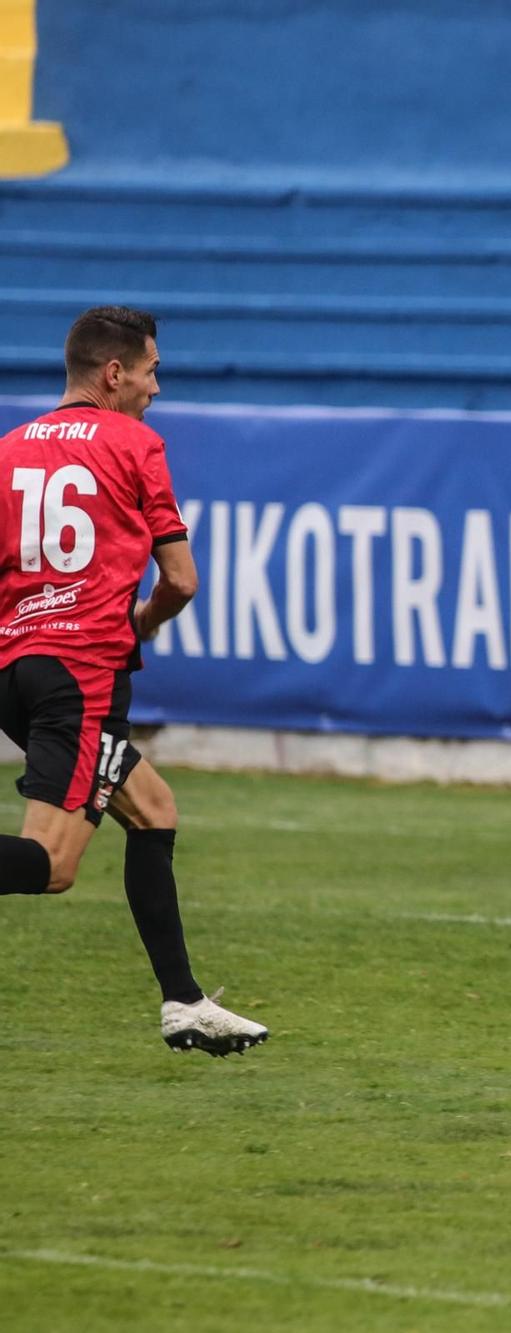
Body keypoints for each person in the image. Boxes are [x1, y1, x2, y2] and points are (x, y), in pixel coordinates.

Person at [0, 306, 268, 1056]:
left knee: (152, 807)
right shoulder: (135, 443)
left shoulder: (9, 450)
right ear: (114, 373)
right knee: (51, 865)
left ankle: (184, 1002)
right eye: (150, 371)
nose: (156, 387)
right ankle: (182, 1001)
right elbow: (181, 580)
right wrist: (142, 621)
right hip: (80, 673)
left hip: (18, 670)